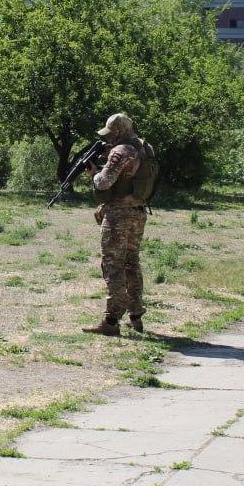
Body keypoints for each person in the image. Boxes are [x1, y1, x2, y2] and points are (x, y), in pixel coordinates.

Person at [82, 113, 157, 337]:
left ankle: (111, 320)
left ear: (119, 131)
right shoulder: (143, 148)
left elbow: (104, 182)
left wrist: (94, 174)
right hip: (137, 211)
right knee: (131, 263)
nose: (109, 138)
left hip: (119, 217)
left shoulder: (121, 151)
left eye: (111, 133)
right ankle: (136, 317)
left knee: (113, 265)